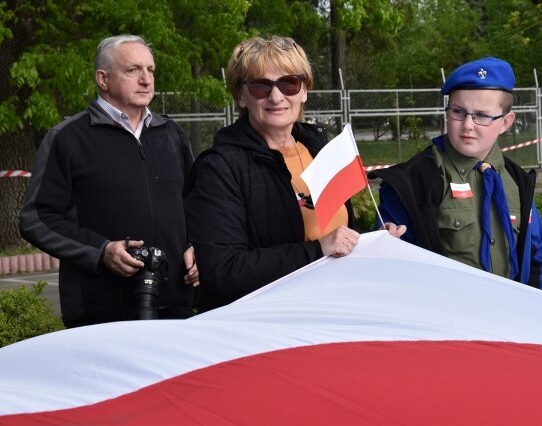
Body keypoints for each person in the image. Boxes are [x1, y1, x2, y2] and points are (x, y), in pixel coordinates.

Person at [184, 35, 404, 312]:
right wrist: (316, 250)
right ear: (241, 96)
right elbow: (222, 270)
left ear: (304, 91)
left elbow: (335, 233)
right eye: (260, 87)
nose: (276, 96)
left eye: (289, 83)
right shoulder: (219, 167)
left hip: (334, 305)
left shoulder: (320, 148)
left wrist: (369, 244)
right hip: (270, 322)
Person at [19, 35, 198, 327]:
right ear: (103, 79)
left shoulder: (171, 135)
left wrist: (196, 246)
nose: (146, 80)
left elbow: (195, 205)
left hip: (175, 305)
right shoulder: (68, 138)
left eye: (150, 70)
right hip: (101, 311)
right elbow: (37, 218)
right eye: (133, 70)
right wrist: (100, 251)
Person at [370, 57, 542, 292]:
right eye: (458, 112)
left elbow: (540, 255)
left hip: (512, 315)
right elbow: (393, 249)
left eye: (482, 116)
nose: (468, 124)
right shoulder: (416, 180)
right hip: (446, 317)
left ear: (506, 122)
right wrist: (385, 239)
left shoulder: (516, 181)